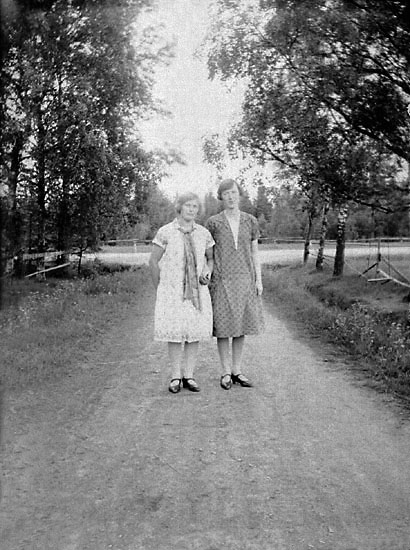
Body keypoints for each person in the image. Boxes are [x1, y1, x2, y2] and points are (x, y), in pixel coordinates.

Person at [149, 193, 214, 394]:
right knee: (175, 332)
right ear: (179, 207)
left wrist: (207, 271)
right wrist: (159, 287)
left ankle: (189, 375)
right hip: (172, 291)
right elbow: (153, 261)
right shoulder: (165, 232)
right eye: (188, 205)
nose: (191, 210)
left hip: (196, 292)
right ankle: (176, 376)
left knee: (193, 331)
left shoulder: (203, 233)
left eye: (195, 206)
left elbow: (210, 258)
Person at [206, 178, 264, 390]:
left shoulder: (250, 221)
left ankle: (237, 370)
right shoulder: (213, 222)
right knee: (223, 327)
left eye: (233, 192)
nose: (230, 197)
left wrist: (258, 280)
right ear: (221, 197)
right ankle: (225, 372)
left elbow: (255, 253)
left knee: (241, 325)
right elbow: (208, 254)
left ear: (239, 194)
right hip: (221, 280)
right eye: (226, 193)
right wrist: (207, 274)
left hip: (245, 279)